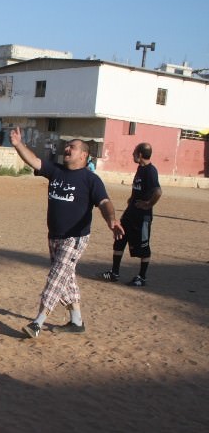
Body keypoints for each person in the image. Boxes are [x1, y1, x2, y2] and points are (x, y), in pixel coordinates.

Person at [9, 126, 124, 338]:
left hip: (75, 237)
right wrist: (18, 145)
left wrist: (111, 219)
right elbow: (34, 161)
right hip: (54, 235)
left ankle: (38, 322)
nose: (67, 149)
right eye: (67, 146)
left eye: (72, 147)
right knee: (66, 278)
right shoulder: (56, 171)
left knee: (56, 277)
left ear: (84, 154)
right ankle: (77, 322)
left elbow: (105, 202)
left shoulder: (91, 180)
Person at [101, 142, 162, 287]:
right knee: (119, 238)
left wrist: (148, 204)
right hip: (130, 214)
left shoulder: (150, 171)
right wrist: (132, 198)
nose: (132, 155)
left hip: (142, 217)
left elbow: (158, 191)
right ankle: (114, 273)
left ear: (140, 154)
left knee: (143, 247)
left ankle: (142, 277)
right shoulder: (141, 169)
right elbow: (141, 189)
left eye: (134, 152)